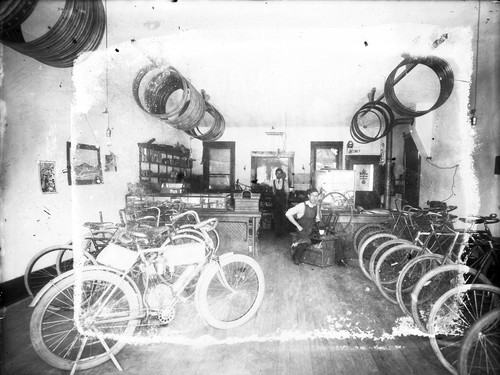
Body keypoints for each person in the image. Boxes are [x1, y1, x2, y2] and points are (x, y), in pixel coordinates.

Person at [285, 188, 322, 265]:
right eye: (312, 196)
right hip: (302, 230)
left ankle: (297, 243)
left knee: (325, 240)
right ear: (308, 196)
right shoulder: (302, 205)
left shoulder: (317, 206)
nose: (314, 198)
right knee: (306, 241)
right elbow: (288, 214)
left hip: (312, 229)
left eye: (316, 196)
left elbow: (318, 219)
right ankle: (295, 256)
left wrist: (318, 211)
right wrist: (298, 225)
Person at [272, 168, 289, 237]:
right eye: (277, 173)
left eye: (280, 173)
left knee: (283, 217)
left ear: (282, 174)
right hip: (276, 203)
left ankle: (283, 233)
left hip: (283, 202)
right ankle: (277, 233)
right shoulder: (273, 181)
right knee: (276, 217)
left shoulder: (285, 182)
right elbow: (273, 191)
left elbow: (287, 193)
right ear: (275, 174)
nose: (278, 175)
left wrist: (286, 203)